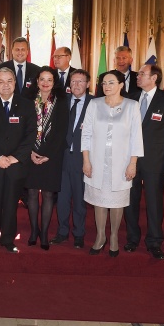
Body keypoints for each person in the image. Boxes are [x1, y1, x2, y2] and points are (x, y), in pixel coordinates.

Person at [81, 70, 144, 257]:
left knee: (117, 203)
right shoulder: (94, 104)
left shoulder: (132, 106)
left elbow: (136, 138)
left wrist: (133, 163)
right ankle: (100, 236)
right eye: (104, 83)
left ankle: (114, 236)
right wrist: (86, 161)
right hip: (96, 162)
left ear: (121, 85)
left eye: (111, 82)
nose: (106, 86)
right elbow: (86, 135)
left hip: (121, 163)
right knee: (99, 201)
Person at [123, 64, 164, 259]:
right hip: (130, 160)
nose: (137, 76)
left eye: (141, 74)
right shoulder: (130, 98)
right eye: (138, 74)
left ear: (154, 78)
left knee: (154, 202)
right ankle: (132, 238)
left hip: (156, 161)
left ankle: (154, 241)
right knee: (130, 201)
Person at [0, 67, 34, 252]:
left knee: (11, 204)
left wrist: (14, 158)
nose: (5, 85)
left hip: (15, 165)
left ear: (15, 82)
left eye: (9, 80)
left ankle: (8, 240)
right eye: (1, 81)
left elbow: (30, 135)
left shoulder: (26, 104)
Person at [23, 66, 69, 250]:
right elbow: (24, 128)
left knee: (49, 194)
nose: (45, 83)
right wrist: (30, 152)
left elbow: (61, 131)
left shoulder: (61, 100)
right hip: (30, 153)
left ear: (54, 82)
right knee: (32, 193)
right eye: (42, 79)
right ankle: (34, 231)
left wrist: (47, 154)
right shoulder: (27, 99)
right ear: (37, 80)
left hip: (52, 155)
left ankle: (44, 233)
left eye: (49, 79)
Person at [52, 69, 92, 248]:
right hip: (61, 159)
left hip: (82, 159)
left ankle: (79, 233)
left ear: (88, 84)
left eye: (81, 81)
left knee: (79, 198)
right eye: (73, 81)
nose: (76, 85)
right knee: (61, 199)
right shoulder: (61, 102)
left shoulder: (96, 104)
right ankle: (62, 231)